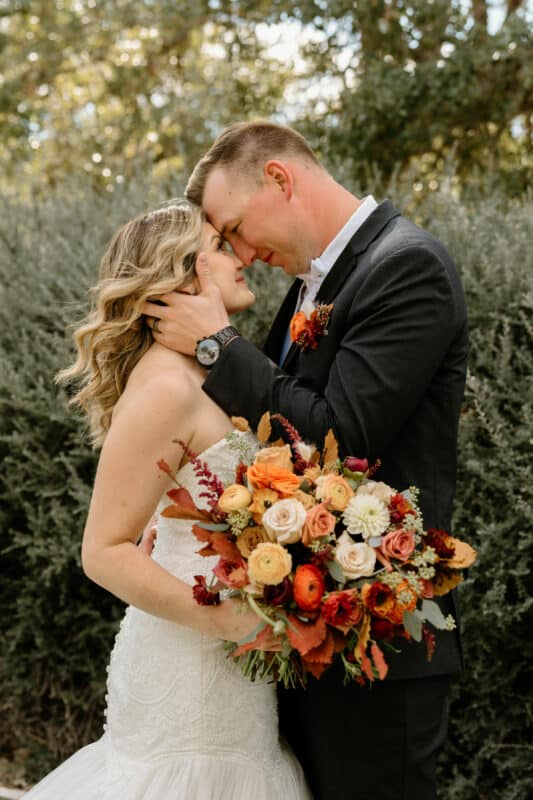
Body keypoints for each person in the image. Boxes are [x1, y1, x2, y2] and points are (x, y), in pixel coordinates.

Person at [142, 121, 469, 800]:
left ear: (280, 180)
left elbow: (341, 438)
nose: (239, 253)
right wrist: (183, 508)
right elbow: (263, 437)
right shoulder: (306, 289)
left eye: (232, 228)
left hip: (378, 643)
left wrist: (216, 345)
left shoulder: (405, 267)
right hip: (303, 630)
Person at [23, 202, 310, 800]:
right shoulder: (163, 388)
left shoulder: (205, 374)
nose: (241, 257)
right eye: (220, 244)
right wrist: (226, 620)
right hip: (189, 673)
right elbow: (102, 550)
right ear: (182, 277)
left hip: (237, 681)